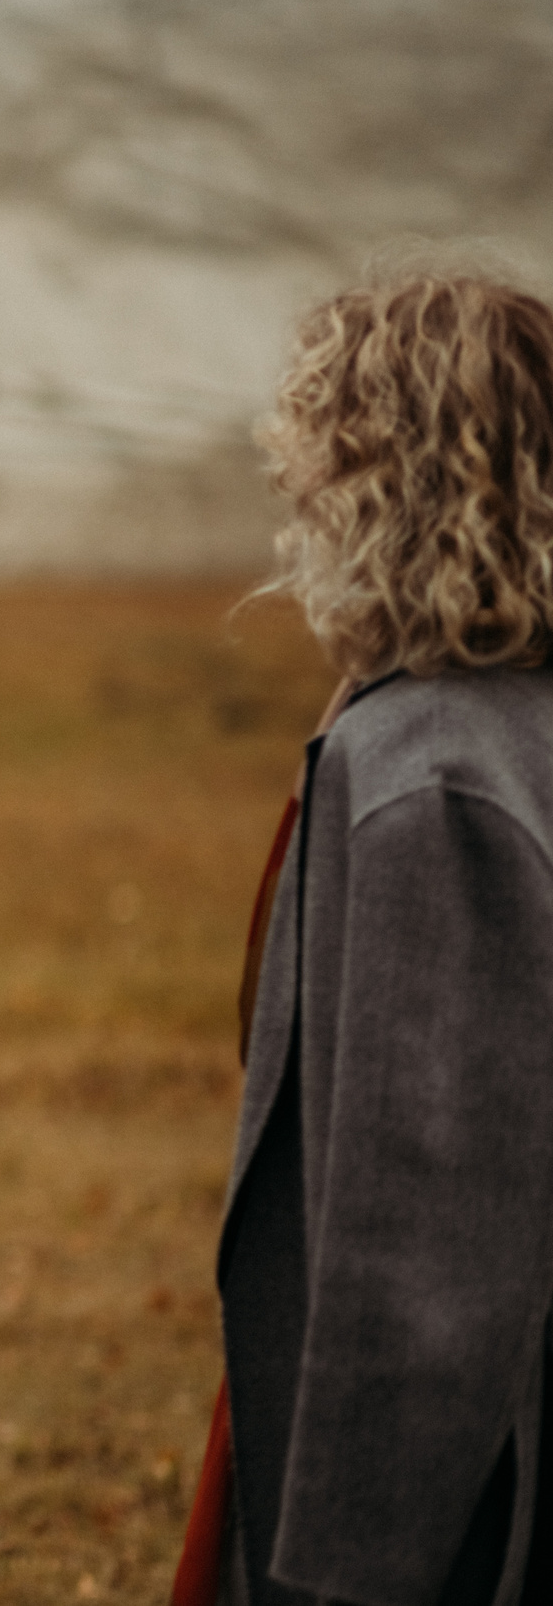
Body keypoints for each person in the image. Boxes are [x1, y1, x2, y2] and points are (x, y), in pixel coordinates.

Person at [192, 265, 553, 1605]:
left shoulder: (435, 774)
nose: (293, 512)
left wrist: (346, 1570)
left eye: (318, 469)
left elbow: (426, 1243)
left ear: (392, 490)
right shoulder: (491, 727)